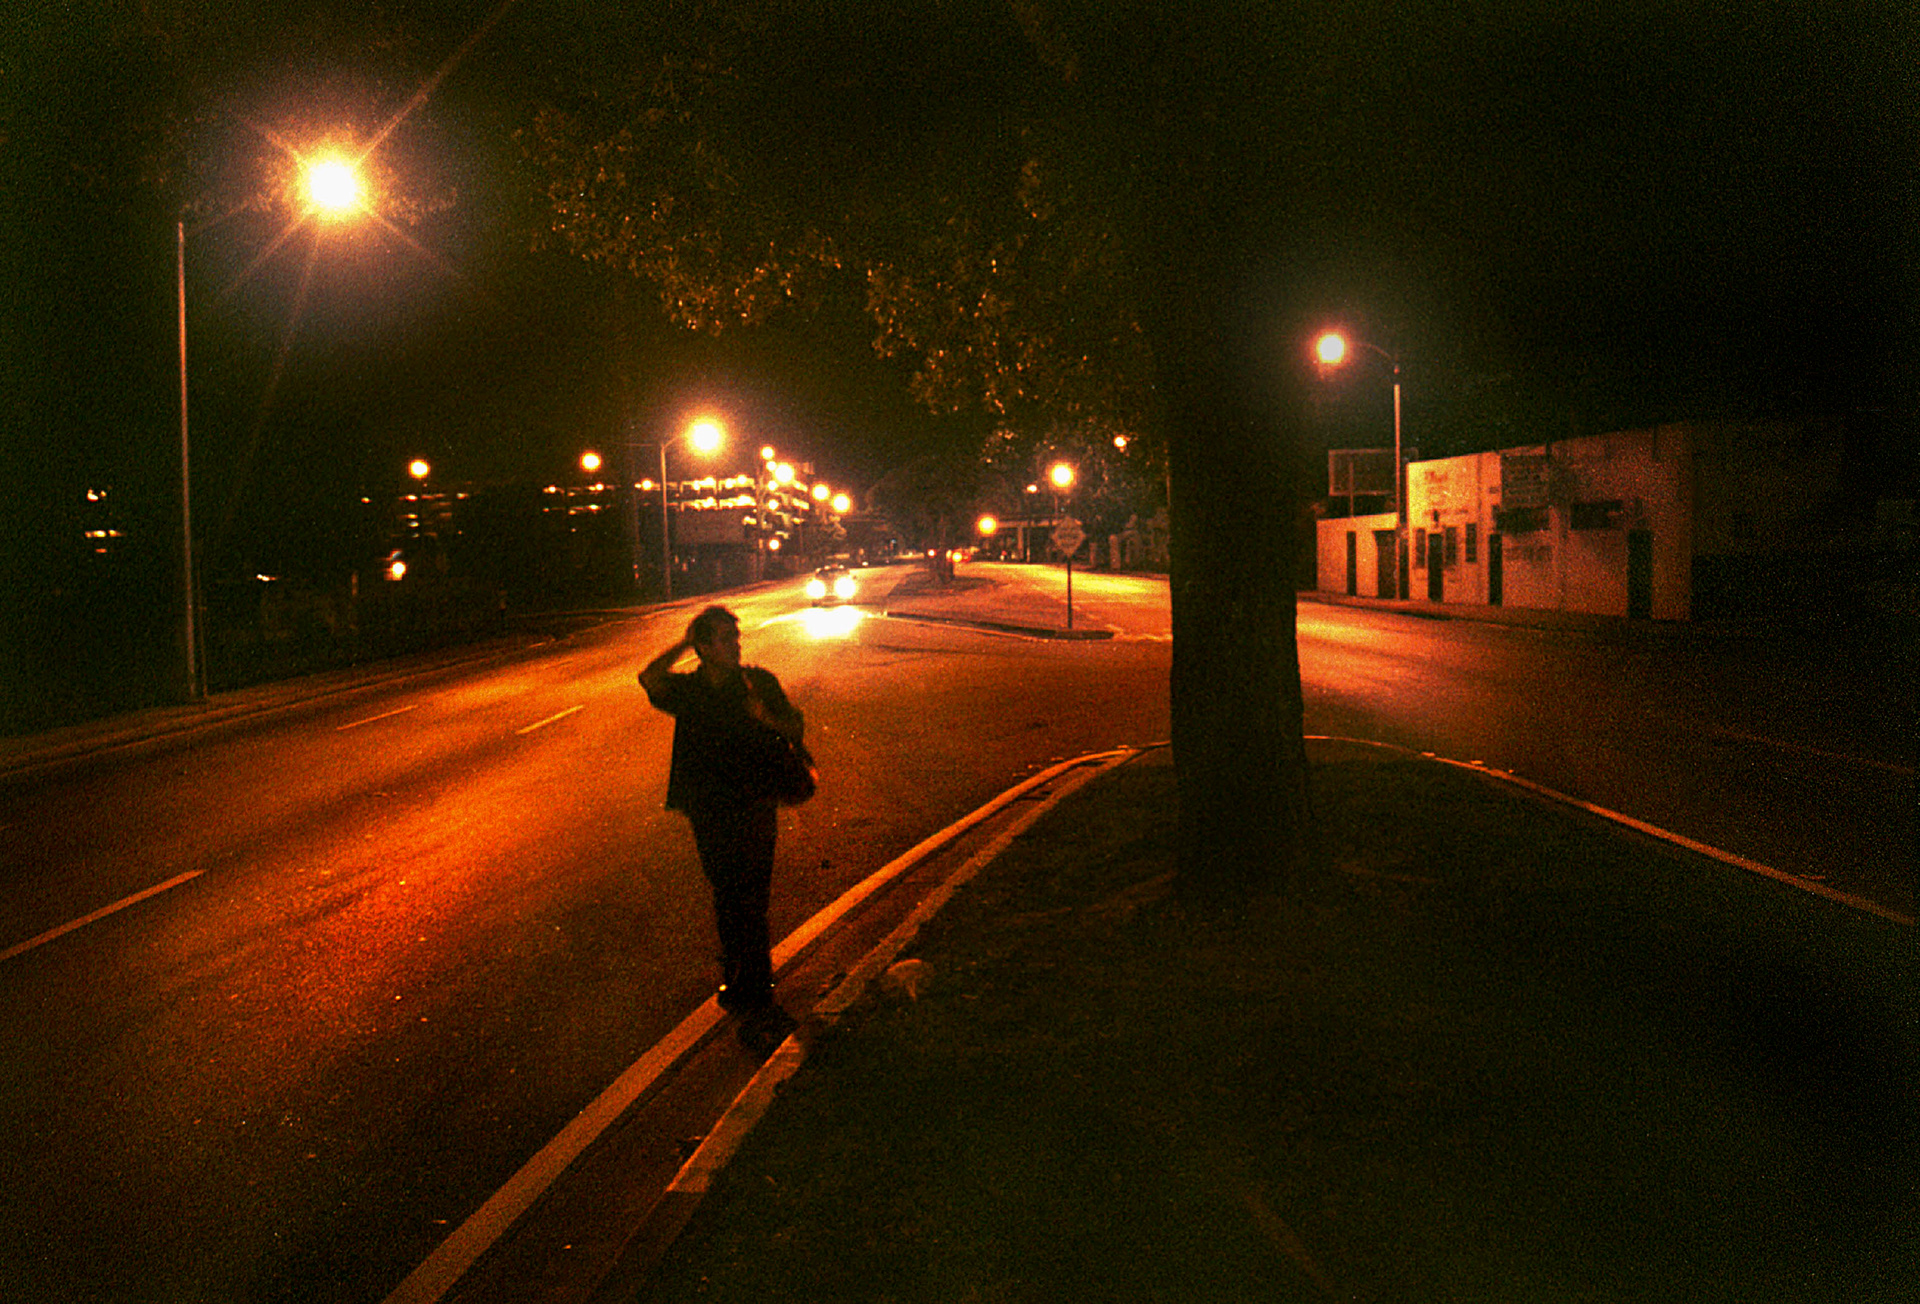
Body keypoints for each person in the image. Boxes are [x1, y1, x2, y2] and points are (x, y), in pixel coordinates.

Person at [640, 606, 803, 1044]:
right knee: (728, 896)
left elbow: (795, 726)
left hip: (754, 804)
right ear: (705, 648)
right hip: (708, 810)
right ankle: (741, 984)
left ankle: (755, 993)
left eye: (736, 636)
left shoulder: (757, 682)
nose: (736, 644)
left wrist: (764, 717)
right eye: (726, 638)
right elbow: (649, 679)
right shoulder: (690, 691)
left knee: (749, 898)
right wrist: (680, 642)